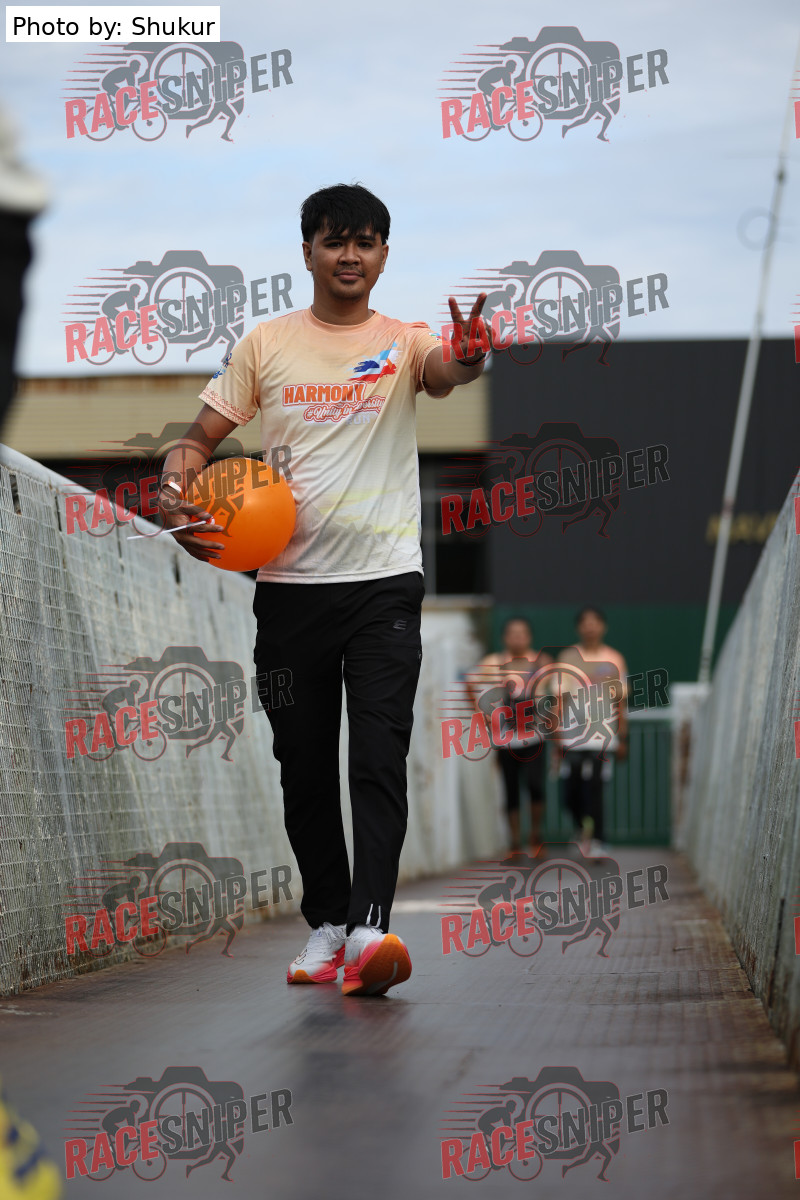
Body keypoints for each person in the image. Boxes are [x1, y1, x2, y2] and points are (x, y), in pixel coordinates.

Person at [156, 184, 488, 996]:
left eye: (366, 242)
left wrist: (471, 352)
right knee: (301, 767)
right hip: (289, 590)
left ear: (384, 255)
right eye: (336, 241)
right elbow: (197, 439)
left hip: (384, 586)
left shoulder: (404, 341)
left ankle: (371, 929)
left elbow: (447, 370)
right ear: (307, 250)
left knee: (376, 757)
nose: (350, 255)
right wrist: (174, 488)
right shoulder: (265, 344)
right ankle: (329, 926)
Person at [467, 617, 552, 854]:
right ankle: (514, 840)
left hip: (535, 735)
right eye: (513, 633)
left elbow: (556, 692)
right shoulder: (493, 662)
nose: (517, 638)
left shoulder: (541, 662)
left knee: (535, 786)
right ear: (505, 637)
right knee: (510, 788)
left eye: (522, 633)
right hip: (505, 738)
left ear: (529, 637)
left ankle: (535, 834)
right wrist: (481, 714)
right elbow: (470, 683)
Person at [555, 606, 628, 858]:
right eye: (585, 623)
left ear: (603, 627)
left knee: (596, 786)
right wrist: (556, 733)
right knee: (571, 788)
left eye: (594, 622)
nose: (590, 627)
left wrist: (623, 736)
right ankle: (580, 828)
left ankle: (598, 839)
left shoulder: (614, 658)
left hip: (602, 733)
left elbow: (620, 700)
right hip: (572, 732)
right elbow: (559, 698)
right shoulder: (567, 657)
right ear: (579, 628)